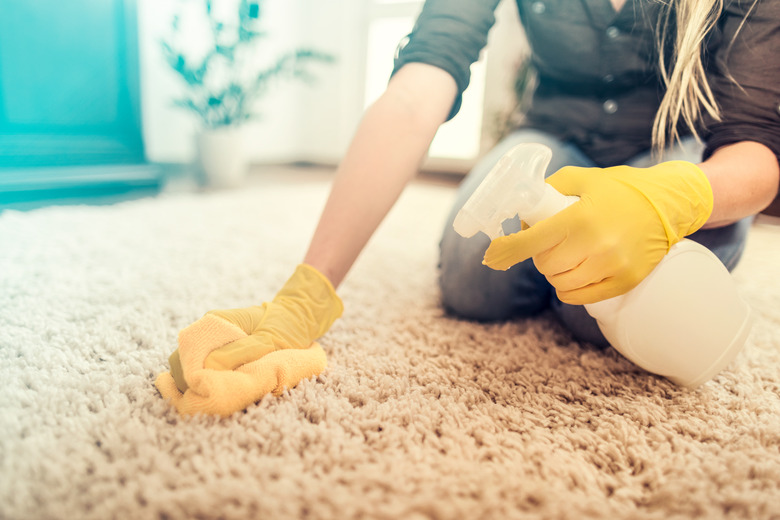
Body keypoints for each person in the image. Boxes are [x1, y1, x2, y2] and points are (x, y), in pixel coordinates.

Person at [157, 0, 780, 415]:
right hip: (554, 133)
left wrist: (673, 197)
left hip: (674, 146)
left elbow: (757, 147)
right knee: (471, 280)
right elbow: (416, 91)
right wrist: (308, 291)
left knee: (602, 313)